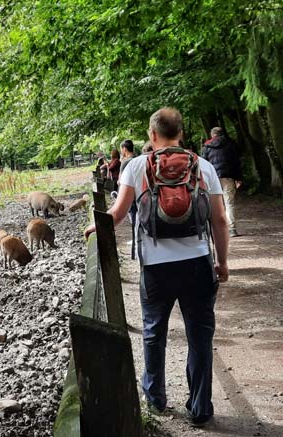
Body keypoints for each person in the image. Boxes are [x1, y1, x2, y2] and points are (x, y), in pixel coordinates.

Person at [84, 108, 230, 426]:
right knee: (200, 336)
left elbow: (118, 214)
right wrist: (222, 262)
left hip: (156, 267)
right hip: (197, 263)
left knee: (153, 333)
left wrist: (96, 227)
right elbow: (219, 219)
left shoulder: (136, 166)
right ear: (181, 133)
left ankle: (155, 398)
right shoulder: (203, 166)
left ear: (152, 135)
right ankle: (201, 407)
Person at [202, 127, 243, 237]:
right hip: (228, 177)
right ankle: (232, 229)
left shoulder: (206, 146)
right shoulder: (230, 144)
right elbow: (236, 162)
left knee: (214, 203)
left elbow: (203, 164)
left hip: (212, 178)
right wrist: (238, 178)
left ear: (212, 135)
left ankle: (216, 229)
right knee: (229, 202)